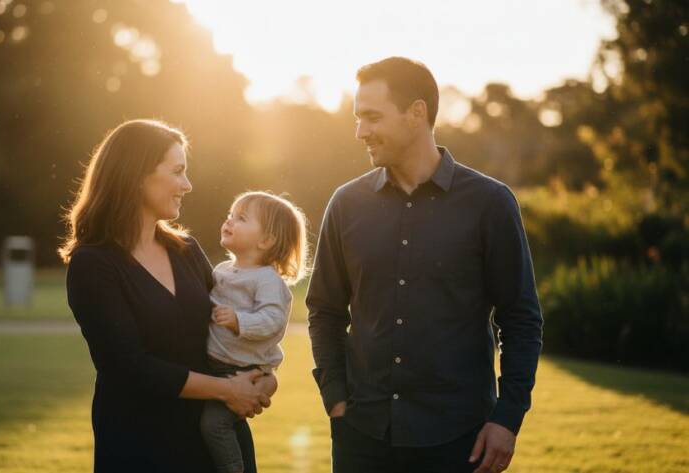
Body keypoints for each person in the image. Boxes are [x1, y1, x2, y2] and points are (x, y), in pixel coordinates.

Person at [307, 57, 544, 473]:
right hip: (362, 437)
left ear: (416, 113)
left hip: (459, 441)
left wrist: (507, 419)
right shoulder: (346, 204)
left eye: (372, 117)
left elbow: (520, 318)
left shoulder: (489, 203)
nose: (360, 132)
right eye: (358, 118)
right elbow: (324, 310)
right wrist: (336, 398)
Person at [60, 119, 275, 473]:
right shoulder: (93, 264)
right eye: (178, 171)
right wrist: (227, 391)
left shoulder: (186, 250)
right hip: (142, 444)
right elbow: (129, 366)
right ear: (136, 174)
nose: (187, 185)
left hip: (216, 443)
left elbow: (229, 326)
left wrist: (263, 376)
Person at [201, 191, 308, 473]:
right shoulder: (222, 270)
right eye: (230, 215)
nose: (229, 221)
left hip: (239, 372)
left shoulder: (267, 280)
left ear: (266, 240)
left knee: (214, 424)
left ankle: (234, 468)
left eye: (241, 218)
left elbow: (273, 319)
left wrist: (240, 321)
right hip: (212, 367)